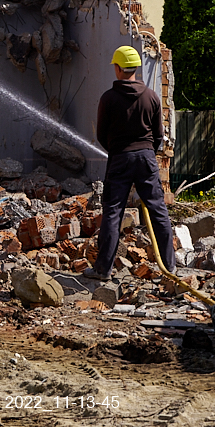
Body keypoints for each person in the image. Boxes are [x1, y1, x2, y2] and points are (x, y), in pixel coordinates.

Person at [83, 45, 176, 281]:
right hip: (146, 158)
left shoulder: (109, 98)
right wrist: (145, 153)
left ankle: (103, 270)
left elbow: (102, 135)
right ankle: (170, 267)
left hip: (120, 158)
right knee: (158, 210)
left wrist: (119, 152)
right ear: (136, 68)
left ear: (117, 68)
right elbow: (157, 135)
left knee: (113, 213)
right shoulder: (152, 97)